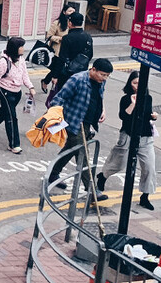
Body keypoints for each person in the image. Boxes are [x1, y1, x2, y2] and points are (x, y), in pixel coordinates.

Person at [47, 58, 113, 192]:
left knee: (70, 149)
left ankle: (53, 173)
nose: (104, 78)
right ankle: (92, 190)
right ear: (93, 69)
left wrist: (103, 110)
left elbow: (100, 96)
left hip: (87, 123)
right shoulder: (77, 80)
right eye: (102, 74)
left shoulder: (100, 82)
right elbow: (58, 99)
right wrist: (57, 119)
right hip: (74, 123)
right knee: (83, 156)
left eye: (107, 76)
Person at [96, 70, 159, 210]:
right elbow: (123, 116)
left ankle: (145, 197)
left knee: (149, 167)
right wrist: (132, 104)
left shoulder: (148, 98)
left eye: (140, 83)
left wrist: (153, 116)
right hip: (128, 135)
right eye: (134, 83)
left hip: (145, 137)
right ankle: (102, 177)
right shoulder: (125, 99)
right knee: (118, 163)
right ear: (130, 84)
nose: (137, 86)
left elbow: (147, 114)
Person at [0, 37, 35, 154]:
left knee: (5, 112)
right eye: (21, 46)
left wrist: (31, 87)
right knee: (11, 117)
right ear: (15, 48)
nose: (23, 49)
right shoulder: (4, 62)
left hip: (17, 91)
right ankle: (14, 145)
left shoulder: (21, 60)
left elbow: (25, 76)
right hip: (5, 91)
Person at [50, 12, 93, 103]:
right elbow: (90, 55)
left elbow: (62, 58)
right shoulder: (88, 36)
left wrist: (55, 76)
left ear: (70, 23)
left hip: (67, 73)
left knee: (63, 97)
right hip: (82, 72)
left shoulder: (67, 38)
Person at [42, 5, 76, 89]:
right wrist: (61, 39)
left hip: (68, 50)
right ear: (64, 12)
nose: (72, 13)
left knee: (58, 69)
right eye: (70, 11)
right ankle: (46, 81)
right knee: (56, 69)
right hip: (57, 50)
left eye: (73, 11)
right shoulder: (57, 23)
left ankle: (46, 81)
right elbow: (49, 36)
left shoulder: (74, 24)